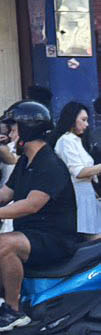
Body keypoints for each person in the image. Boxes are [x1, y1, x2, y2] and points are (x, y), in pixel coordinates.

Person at [0, 102, 79, 332]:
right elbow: (4, 195)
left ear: (28, 129)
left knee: (5, 243)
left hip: (54, 240)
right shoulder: (26, 163)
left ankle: (13, 311)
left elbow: (31, 205)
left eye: (13, 128)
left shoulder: (49, 164)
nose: (8, 133)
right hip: (30, 237)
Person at [52, 101, 101, 235]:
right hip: (78, 196)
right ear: (72, 119)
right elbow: (78, 172)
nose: (87, 124)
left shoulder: (76, 140)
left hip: (88, 195)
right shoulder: (66, 140)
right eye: (83, 120)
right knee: (92, 238)